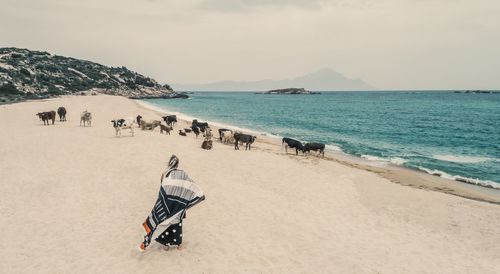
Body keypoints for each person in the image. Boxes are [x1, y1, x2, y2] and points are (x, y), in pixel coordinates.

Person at [139, 155, 205, 252]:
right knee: (176, 224)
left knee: (165, 222)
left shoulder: (165, 174)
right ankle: (178, 245)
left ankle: (165, 245)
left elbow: (163, 188)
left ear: (169, 163)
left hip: (167, 203)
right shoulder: (183, 173)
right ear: (177, 164)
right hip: (178, 205)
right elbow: (190, 185)